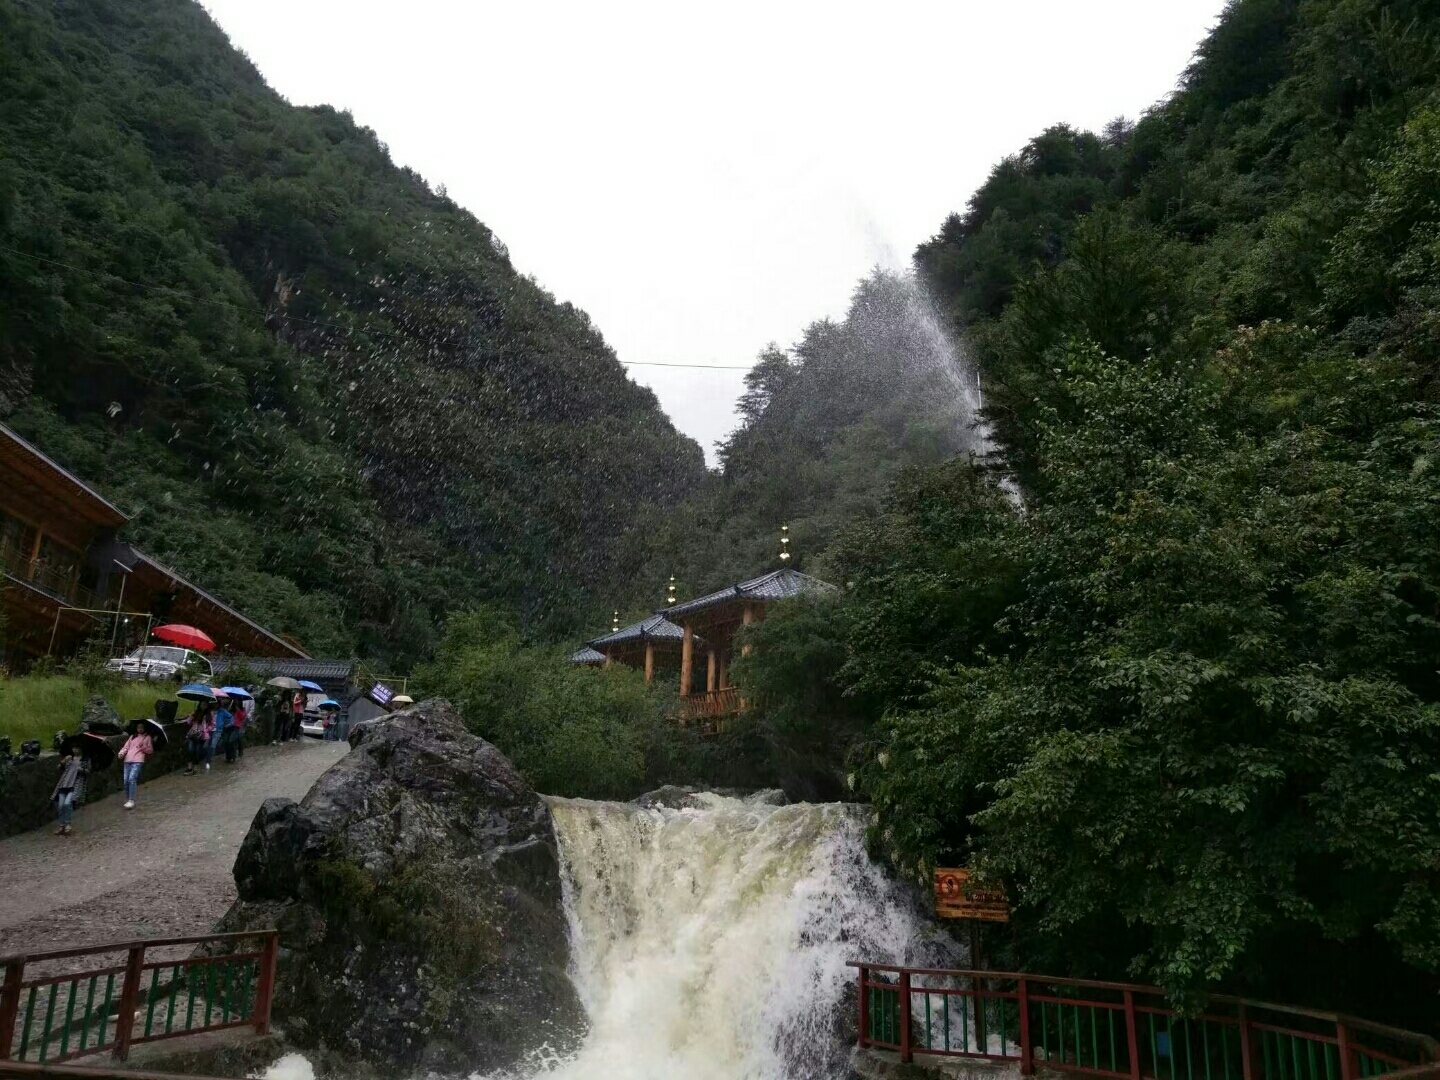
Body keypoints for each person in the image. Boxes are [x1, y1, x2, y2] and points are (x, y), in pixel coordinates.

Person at [118, 724, 154, 809]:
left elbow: (150, 750)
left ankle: (131, 799)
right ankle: (128, 798)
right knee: (126, 780)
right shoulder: (132, 737)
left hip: (138, 760)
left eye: (142, 727)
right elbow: (126, 747)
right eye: (138, 727)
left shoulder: (147, 738)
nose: (140, 729)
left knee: (132, 778)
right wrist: (121, 753)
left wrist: (143, 747)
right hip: (127, 760)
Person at [52, 748, 82, 836]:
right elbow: (59, 768)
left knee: (67, 804)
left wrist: (81, 769)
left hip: (73, 786)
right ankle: (62, 825)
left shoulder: (83, 760)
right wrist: (64, 761)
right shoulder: (69, 759)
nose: (74, 750)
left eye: (76, 747)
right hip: (63, 785)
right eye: (73, 748)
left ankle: (68, 824)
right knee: (60, 806)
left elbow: (87, 771)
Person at [184, 705, 213, 775]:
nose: (203, 705)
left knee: (198, 751)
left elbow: (213, 725)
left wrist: (206, 729)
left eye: (205, 704)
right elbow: (188, 722)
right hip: (193, 735)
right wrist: (191, 717)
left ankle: (196, 767)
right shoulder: (195, 714)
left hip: (202, 736)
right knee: (190, 750)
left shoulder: (209, 715)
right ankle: (190, 767)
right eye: (202, 703)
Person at [216, 696, 237, 764]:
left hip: (228, 728)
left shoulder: (224, 709)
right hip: (221, 729)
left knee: (229, 742)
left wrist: (229, 724)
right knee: (225, 743)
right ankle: (228, 757)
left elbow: (231, 717)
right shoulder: (216, 710)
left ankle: (232, 757)